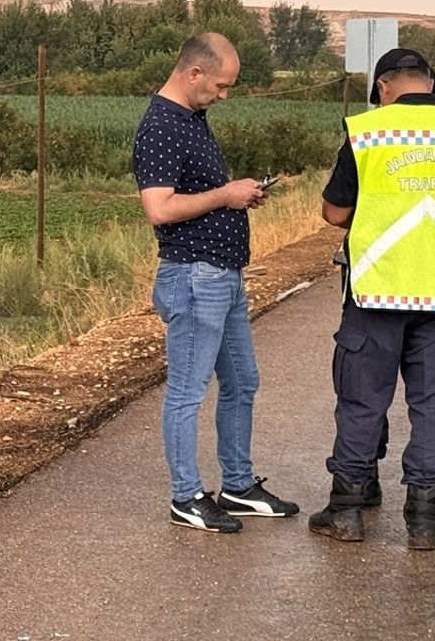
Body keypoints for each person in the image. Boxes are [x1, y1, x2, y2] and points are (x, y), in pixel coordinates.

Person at [309, 48, 435, 550]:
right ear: (433, 83)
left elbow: (333, 213)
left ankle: (347, 512)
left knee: (362, 402)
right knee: (434, 406)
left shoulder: (366, 133)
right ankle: (424, 521)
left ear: (383, 88)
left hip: (376, 291)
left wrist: (378, 216)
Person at [132, 31, 299, 534]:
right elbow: (159, 209)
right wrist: (225, 195)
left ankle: (238, 485)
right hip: (193, 276)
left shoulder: (192, 120)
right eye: (221, 86)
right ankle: (186, 496)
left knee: (242, 381)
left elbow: (201, 192)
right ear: (194, 73)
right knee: (187, 391)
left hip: (222, 275)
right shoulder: (161, 126)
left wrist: (237, 196)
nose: (224, 96)